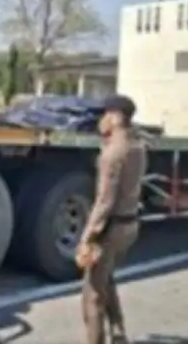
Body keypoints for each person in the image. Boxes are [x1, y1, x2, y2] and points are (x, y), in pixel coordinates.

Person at [77, 94, 147, 344]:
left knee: (92, 297)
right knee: (106, 278)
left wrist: (87, 238)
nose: (101, 120)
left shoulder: (113, 154)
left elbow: (104, 201)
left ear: (116, 118)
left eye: (105, 114)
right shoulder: (137, 146)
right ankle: (118, 332)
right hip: (130, 226)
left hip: (112, 228)